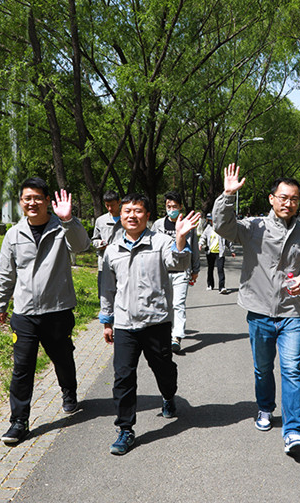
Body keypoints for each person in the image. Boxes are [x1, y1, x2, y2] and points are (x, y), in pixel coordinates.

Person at [212, 164, 300, 457]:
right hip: (259, 312)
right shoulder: (253, 227)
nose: (288, 203)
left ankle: (294, 431)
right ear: (271, 199)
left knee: (291, 370)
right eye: (283, 197)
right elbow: (222, 226)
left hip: (291, 314)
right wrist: (227, 195)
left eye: (294, 198)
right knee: (262, 370)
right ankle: (264, 408)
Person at [100, 193, 201, 455]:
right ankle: (125, 429)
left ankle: (168, 396)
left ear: (147, 215)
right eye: (127, 211)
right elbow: (107, 288)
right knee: (123, 376)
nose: (132, 216)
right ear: (120, 216)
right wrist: (107, 320)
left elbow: (179, 264)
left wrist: (180, 239)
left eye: (138, 211)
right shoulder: (112, 250)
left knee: (163, 369)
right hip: (124, 324)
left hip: (156, 321)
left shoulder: (162, 241)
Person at [0, 177, 91, 444]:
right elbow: (6, 272)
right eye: (27, 198)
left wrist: (69, 219)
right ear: (21, 203)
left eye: (37, 197)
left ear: (48, 201)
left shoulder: (62, 227)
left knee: (62, 357)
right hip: (24, 312)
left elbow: (82, 246)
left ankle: (68, 391)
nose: (32, 202)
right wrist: (1, 303)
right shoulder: (13, 234)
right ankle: (19, 421)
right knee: (22, 367)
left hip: (57, 310)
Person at [152, 191, 201, 353]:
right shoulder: (158, 225)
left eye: (174, 206)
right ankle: (164, 333)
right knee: (164, 304)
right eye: (168, 206)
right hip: (162, 271)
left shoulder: (188, 225)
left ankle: (176, 336)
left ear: (180, 207)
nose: (171, 209)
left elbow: (194, 247)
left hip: (182, 270)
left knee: (178, 304)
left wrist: (195, 269)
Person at [91, 190, 123, 297]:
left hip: (123, 263)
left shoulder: (127, 219)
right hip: (104, 265)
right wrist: (99, 243)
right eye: (107, 205)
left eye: (112, 205)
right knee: (104, 295)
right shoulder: (100, 220)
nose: (110, 208)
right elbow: (94, 240)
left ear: (119, 202)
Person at [199, 213, 233, 294]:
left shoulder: (222, 229)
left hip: (220, 252)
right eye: (209, 220)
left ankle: (222, 287)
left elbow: (228, 240)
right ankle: (210, 284)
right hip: (210, 252)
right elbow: (203, 237)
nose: (211, 221)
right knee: (210, 269)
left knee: (220, 269)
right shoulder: (208, 228)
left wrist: (232, 250)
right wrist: (200, 244)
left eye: (212, 219)